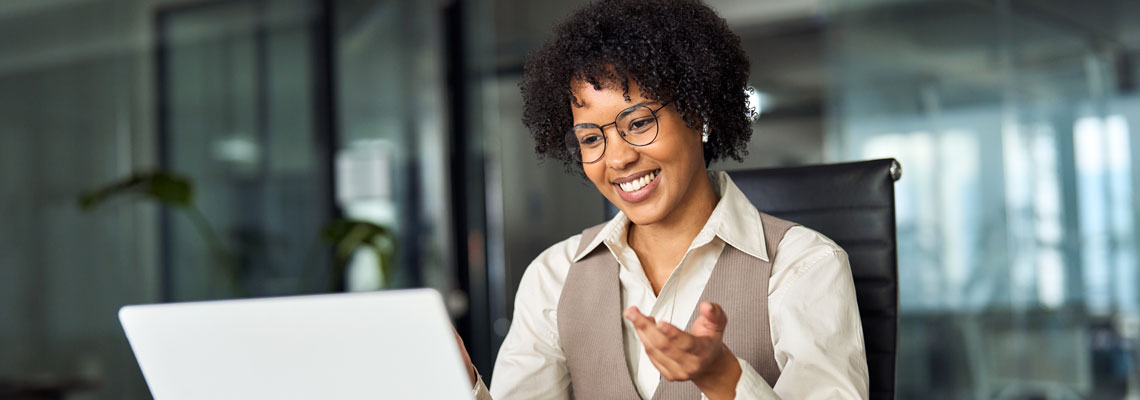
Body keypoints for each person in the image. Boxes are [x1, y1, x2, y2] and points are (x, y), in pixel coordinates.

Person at [458, 0, 869, 398]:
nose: (618, 157)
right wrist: (463, 385)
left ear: (698, 112)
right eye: (589, 138)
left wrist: (723, 378)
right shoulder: (553, 276)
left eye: (638, 122)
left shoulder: (804, 266)